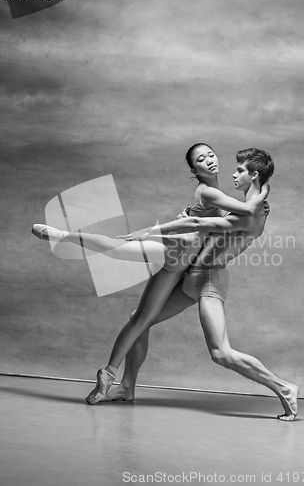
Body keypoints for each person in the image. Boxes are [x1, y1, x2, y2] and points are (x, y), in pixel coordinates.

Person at [31, 145, 268, 394]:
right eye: (201, 159)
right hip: (176, 250)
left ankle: (113, 375)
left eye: (210, 155)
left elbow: (220, 221)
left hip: (182, 263)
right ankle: (64, 235)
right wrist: (264, 191)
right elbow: (245, 211)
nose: (209, 161)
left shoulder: (215, 193)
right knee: (118, 249)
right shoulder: (208, 192)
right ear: (193, 169)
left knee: (141, 319)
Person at [88, 148, 299, 421]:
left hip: (209, 279)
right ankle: (127, 386)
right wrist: (261, 191)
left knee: (220, 353)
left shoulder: (250, 215)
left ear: (254, 175)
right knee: (139, 321)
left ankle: (284, 388)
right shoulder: (254, 200)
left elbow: (197, 220)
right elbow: (215, 212)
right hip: (192, 276)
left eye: (240, 170)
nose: (232, 173)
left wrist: (149, 231)